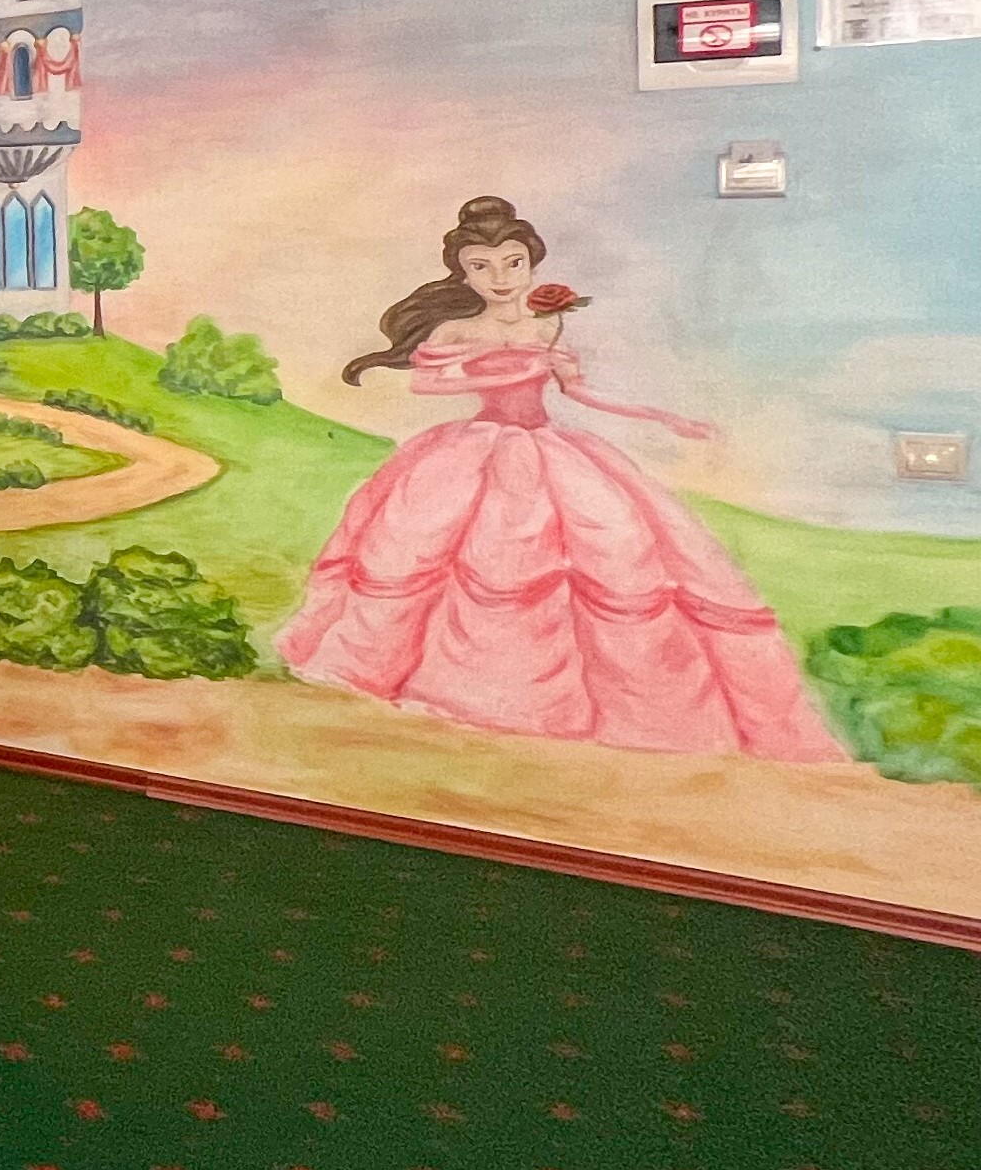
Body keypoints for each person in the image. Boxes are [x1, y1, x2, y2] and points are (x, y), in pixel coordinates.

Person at [276, 196, 841, 762]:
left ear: (531, 265)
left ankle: (606, 709)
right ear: (464, 273)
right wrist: (501, 372)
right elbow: (428, 384)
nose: (500, 277)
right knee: (455, 550)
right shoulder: (457, 329)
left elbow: (582, 393)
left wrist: (664, 418)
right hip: (478, 448)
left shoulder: (547, 327)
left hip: (549, 446)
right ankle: (459, 691)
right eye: (481, 266)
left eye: (513, 263)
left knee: (611, 546)